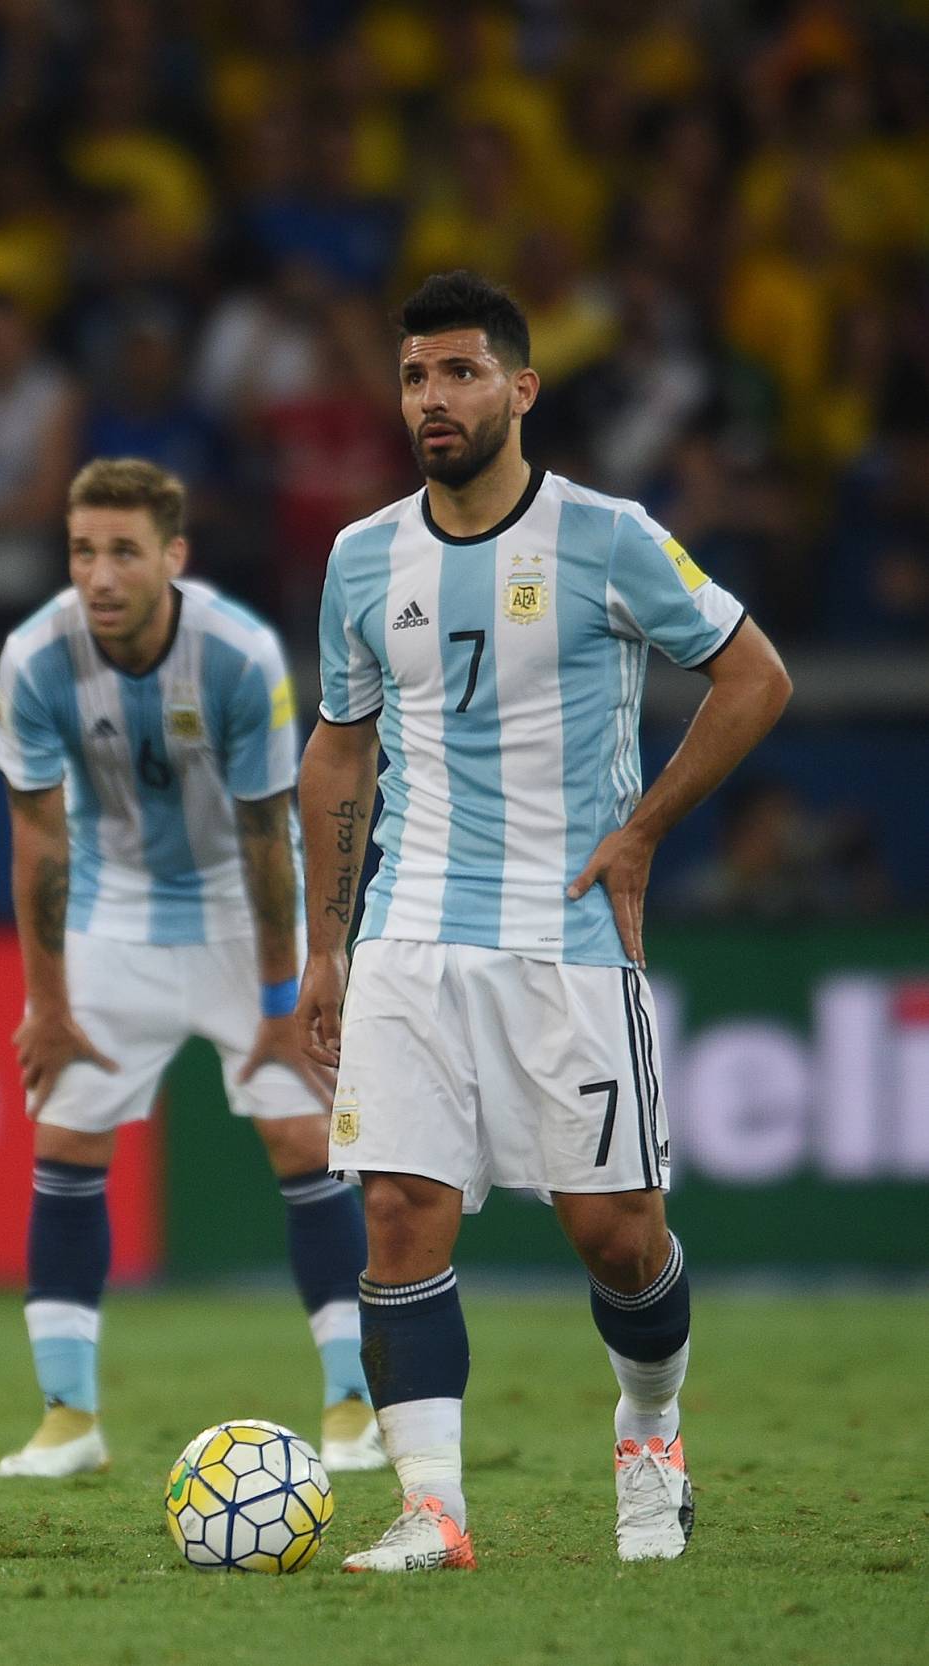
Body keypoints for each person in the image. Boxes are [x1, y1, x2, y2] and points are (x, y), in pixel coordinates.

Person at [299, 271, 791, 1572]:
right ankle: (433, 1510)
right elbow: (340, 749)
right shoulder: (362, 558)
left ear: (520, 389)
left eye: (460, 372)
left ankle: (650, 1430)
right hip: (409, 928)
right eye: (415, 375)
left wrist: (644, 829)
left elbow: (754, 677)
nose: (433, 397)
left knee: (617, 1236)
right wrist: (325, 943)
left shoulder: (607, 536)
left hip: (564, 935)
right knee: (398, 1206)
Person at [0, 457, 379, 1481]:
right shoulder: (34, 658)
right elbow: (38, 838)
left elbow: (264, 841)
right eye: (82, 551)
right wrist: (48, 1002)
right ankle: (68, 1418)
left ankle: (353, 1403)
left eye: (123, 551)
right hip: (113, 907)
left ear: (173, 556)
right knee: (66, 1135)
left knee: (302, 1137)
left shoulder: (238, 657)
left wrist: (281, 1002)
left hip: (237, 906)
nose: (99, 575)